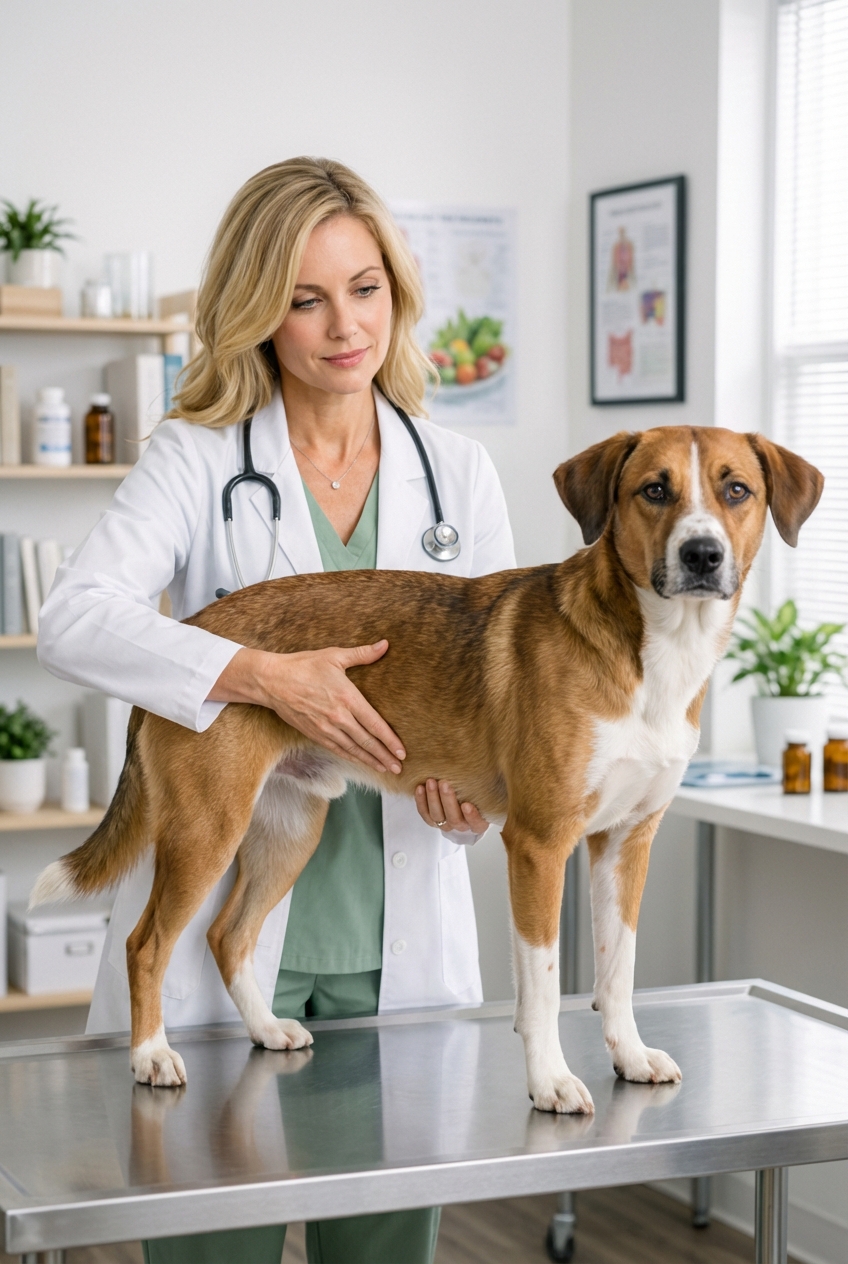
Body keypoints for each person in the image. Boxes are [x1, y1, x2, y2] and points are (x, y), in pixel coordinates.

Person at [38, 156, 515, 1264]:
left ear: (395, 291)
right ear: (256, 309)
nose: (341, 325)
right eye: (303, 298)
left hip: (396, 938)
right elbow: (72, 619)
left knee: (384, 1248)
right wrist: (261, 673)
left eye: (364, 287)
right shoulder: (197, 456)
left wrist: (472, 800)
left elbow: (500, 698)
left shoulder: (457, 471)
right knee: (215, 1248)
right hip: (226, 943)